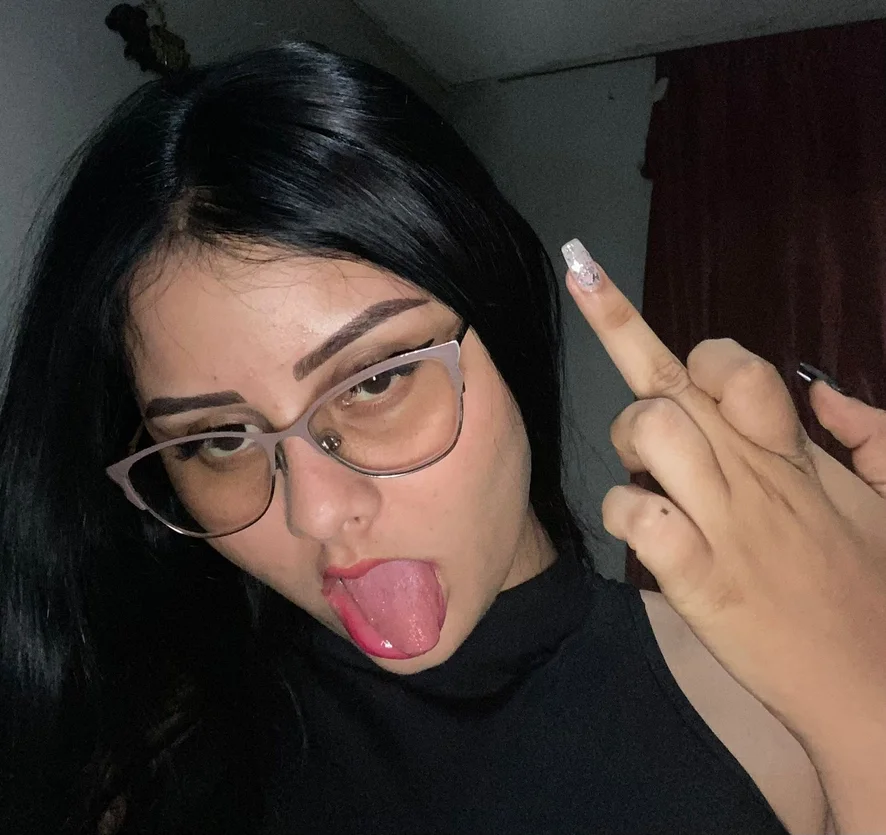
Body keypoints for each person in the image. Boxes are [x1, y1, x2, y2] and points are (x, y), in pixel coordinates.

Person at [0, 42, 883, 835]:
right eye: (220, 439)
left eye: (375, 380)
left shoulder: (772, 702)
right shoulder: (147, 766)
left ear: (502, 327)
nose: (318, 513)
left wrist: (866, 699)